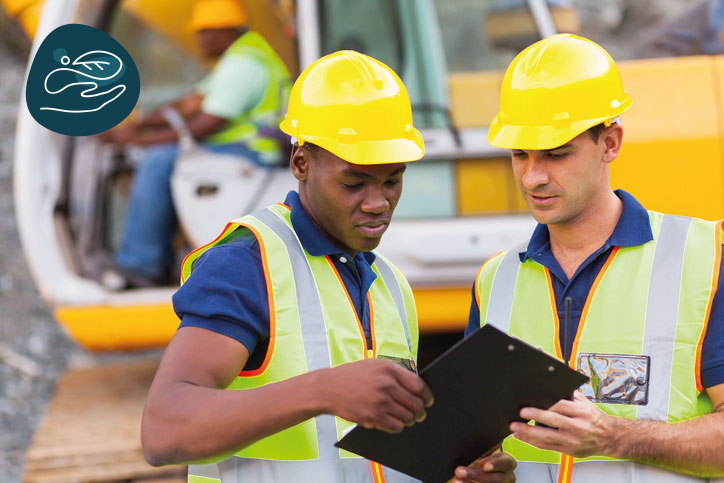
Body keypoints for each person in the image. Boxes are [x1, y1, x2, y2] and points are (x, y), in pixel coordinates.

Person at [141, 50, 516, 483]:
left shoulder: (388, 285)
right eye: (353, 182)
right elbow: (163, 430)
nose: (377, 203)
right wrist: (322, 391)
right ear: (301, 164)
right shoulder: (248, 263)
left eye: (392, 179)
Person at [467, 33, 724, 482]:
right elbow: (481, 441)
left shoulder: (704, 259)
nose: (533, 177)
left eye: (556, 154)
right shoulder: (495, 280)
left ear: (610, 143)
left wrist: (614, 437)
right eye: (519, 154)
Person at [103, 0, 290, 287]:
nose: (198, 39)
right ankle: (158, 258)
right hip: (245, 148)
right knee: (160, 156)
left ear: (223, 31)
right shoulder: (241, 56)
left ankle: (140, 264)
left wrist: (137, 140)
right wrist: (137, 125)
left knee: (158, 161)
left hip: (254, 152)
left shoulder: (245, 64)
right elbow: (191, 103)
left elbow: (203, 126)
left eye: (203, 32)